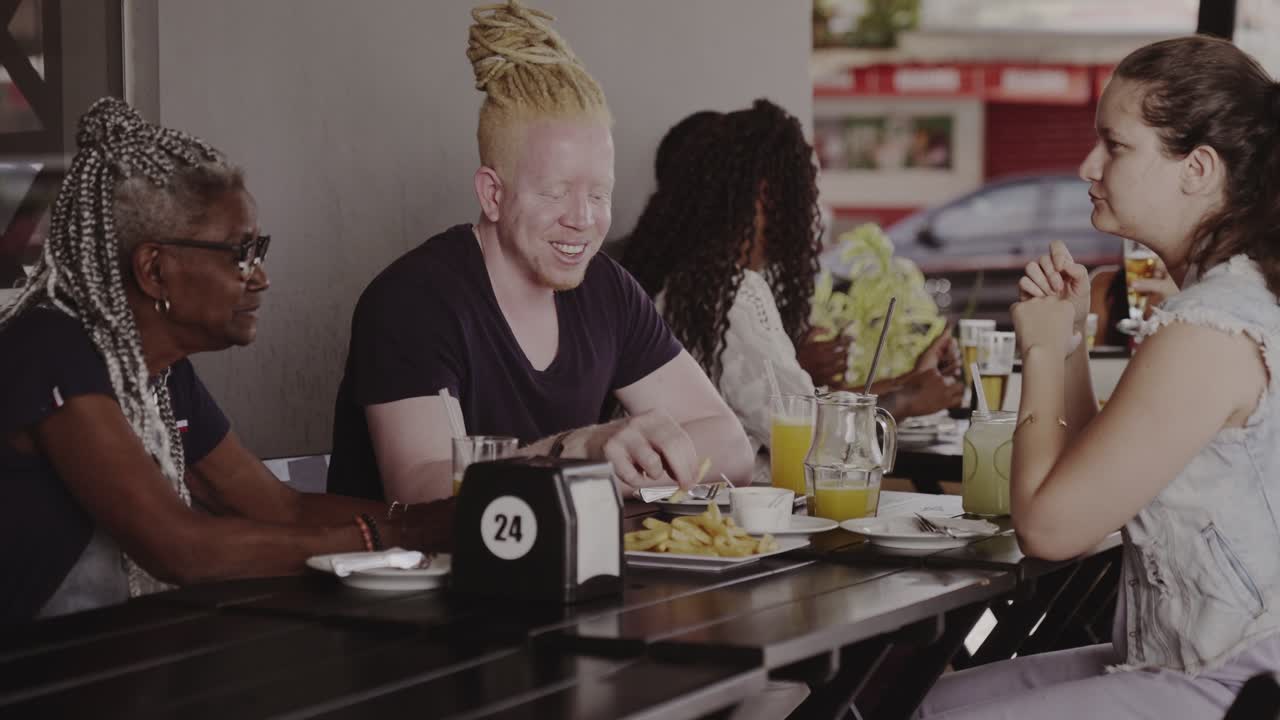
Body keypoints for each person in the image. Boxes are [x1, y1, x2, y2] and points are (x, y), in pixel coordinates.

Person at [917, 36, 1280, 718]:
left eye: (1114, 146)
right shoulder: (1233, 301)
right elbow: (1087, 484)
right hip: (1189, 659)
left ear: (1197, 168)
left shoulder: (1210, 330)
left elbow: (1053, 530)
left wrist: (1044, 352)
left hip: (1233, 689)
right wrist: (1071, 344)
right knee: (915, 704)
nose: (1088, 166)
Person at [0, 98, 453, 624]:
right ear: (154, 271)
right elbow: (179, 547)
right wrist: (400, 537)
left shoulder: (163, 374)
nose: (259, 277)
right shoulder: (52, 351)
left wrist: (439, 522)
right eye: (240, 253)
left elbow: (280, 508)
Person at [327, 0, 751, 504]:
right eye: (554, 192)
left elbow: (731, 447)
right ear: (492, 194)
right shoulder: (414, 300)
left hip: (559, 571)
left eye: (599, 194)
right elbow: (422, 490)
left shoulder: (607, 289)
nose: (583, 218)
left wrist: (615, 466)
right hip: (416, 576)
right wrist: (580, 451)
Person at [621, 100, 962, 482]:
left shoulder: (690, 285)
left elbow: (789, 406)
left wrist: (908, 383)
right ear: (766, 194)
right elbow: (810, 436)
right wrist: (909, 399)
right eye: (802, 189)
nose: (810, 207)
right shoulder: (736, 293)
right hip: (749, 519)